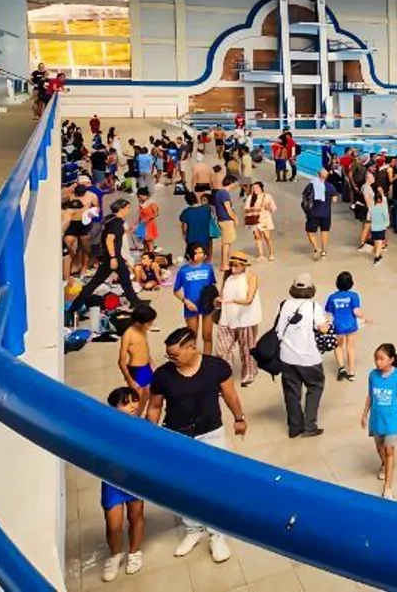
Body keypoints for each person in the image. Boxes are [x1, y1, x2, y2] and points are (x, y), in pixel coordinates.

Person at [146, 327, 246, 564]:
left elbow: (230, 395)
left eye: (175, 355)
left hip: (211, 433)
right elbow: (155, 406)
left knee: (215, 485)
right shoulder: (163, 375)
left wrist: (239, 418)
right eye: (169, 356)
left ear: (192, 348)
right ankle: (193, 530)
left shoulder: (216, 367)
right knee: (183, 486)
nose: (171, 359)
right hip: (177, 437)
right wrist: (152, 434)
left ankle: (217, 534)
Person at [273, 275, 333, 438]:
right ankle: (310, 425)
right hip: (308, 358)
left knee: (291, 393)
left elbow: (278, 329)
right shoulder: (313, 307)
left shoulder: (284, 304)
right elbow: (323, 329)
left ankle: (294, 427)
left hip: (286, 357)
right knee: (315, 387)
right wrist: (327, 324)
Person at [99, 386, 149, 581]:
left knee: (136, 516)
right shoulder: (106, 428)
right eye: (125, 403)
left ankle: (135, 552)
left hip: (135, 479)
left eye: (134, 401)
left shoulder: (141, 426)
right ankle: (115, 555)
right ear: (114, 407)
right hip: (112, 481)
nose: (132, 406)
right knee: (114, 525)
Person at [74, 198, 140, 326]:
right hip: (111, 257)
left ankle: (134, 301)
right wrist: (113, 257)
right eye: (127, 207)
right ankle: (76, 305)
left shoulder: (111, 220)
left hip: (113, 256)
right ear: (121, 208)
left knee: (125, 278)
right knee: (96, 282)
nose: (128, 210)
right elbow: (110, 239)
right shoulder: (116, 223)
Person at [362, 343, 397, 499]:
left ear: (391, 360)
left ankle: (388, 486)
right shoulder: (372, 375)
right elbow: (370, 395)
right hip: (377, 419)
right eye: (376, 358)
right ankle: (384, 463)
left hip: (392, 421)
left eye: (381, 359)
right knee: (379, 447)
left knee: (389, 450)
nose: (378, 362)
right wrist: (364, 414)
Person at [213, 252, 261, 387]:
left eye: (236, 266)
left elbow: (249, 299)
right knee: (222, 349)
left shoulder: (250, 277)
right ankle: (224, 375)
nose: (233, 268)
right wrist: (218, 301)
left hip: (246, 318)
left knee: (247, 348)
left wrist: (233, 301)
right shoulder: (228, 276)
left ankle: (249, 373)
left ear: (244, 266)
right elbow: (222, 294)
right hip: (227, 318)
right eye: (232, 265)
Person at [327, 271, 366, 382]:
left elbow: (329, 313)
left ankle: (341, 368)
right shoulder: (354, 296)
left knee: (338, 346)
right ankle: (351, 373)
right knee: (350, 348)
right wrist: (365, 318)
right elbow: (356, 311)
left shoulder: (332, 297)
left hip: (338, 326)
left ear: (337, 283)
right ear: (351, 283)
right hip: (351, 325)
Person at [116, 303, 157, 400]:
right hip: (136, 369)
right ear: (139, 322)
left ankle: (139, 414)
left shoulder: (143, 329)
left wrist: (152, 364)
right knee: (137, 398)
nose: (150, 325)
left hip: (146, 366)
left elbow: (145, 348)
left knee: (147, 395)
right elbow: (121, 362)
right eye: (149, 322)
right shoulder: (128, 335)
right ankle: (134, 415)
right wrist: (129, 379)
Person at [303, 166, 336, 260]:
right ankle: (324, 251)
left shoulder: (311, 185)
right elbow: (334, 200)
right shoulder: (330, 187)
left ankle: (316, 248)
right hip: (326, 213)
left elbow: (305, 196)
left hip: (313, 213)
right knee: (325, 231)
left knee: (310, 232)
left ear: (318, 175)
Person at [246, 180, 278, 262]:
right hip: (254, 219)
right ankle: (261, 254)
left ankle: (271, 253)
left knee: (267, 237)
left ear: (261, 188)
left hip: (265, 219)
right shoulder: (250, 197)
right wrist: (251, 209)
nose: (254, 190)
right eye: (253, 188)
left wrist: (267, 207)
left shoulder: (267, 196)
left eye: (256, 188)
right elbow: (246, 208)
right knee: (257, 237)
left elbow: (273, 208)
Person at [179, 192, 216, 262]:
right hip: (205, 238)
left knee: (194, 258)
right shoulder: (207, 209)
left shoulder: (186, 212)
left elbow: (184, 227)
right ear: (196, 199)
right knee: (205, 256)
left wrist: (184, 236)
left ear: (187, 201)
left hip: (192, 239)